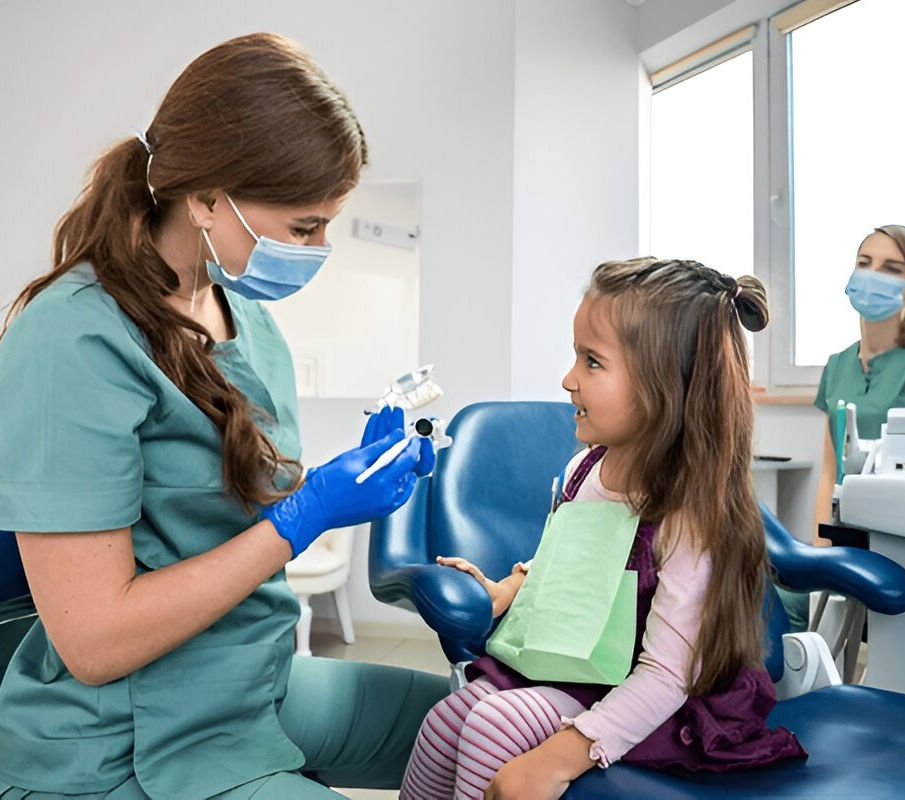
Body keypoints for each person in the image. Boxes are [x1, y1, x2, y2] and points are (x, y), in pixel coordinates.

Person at [0, 33, 448, 799]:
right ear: (206, 198)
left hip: (251, 681)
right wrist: (305, 516)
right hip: (129, 735)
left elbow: (208, 502)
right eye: (305, 227)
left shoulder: (245, 317)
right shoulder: (69, 337)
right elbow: (96, 642)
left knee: (486, 730)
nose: (320, 249)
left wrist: (336, 481)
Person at [400, 259, 806, 800]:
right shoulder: (583, 469)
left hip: (661, 700)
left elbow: (666, 676)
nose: (568, 379)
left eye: (592, 362)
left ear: (668, 385)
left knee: (494, 725)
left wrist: (553, 763)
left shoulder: (689, 512)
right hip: (573, 669)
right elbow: (565, 563)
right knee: (445, 723)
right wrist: (507, 590)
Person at [813, 225, 905, 545]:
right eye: (864, 264)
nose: (872, 275)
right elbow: (829, 472)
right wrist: (820, 552)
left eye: (892, 269)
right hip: (843, 535)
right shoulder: (837, 366)